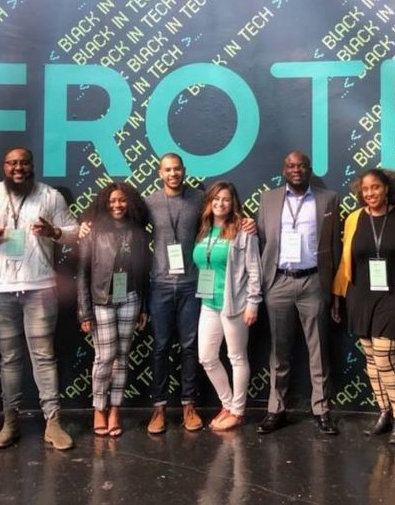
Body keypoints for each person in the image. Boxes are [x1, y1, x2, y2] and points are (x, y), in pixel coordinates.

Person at [0, 147, 78, 450]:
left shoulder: (50, 196)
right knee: (10, 358)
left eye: (23, 163)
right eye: (12, 163)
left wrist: (53, 231)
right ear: (4, 166)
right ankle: (10, 422)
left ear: (31, 165)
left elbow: (74, 232)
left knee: (44, 356)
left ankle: (53, 423)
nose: (18, 168)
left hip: (41, 287)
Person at [256, 150, 342, 436]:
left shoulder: (328, 199)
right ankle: (276, 409)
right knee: (278, 350)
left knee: (318, 350)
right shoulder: (267, 199)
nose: (296, 170)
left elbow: (335, 245)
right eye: (291, 166)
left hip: (313, 282)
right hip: (279, 282)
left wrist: (333, 289)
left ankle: (322, 410)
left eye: (302, 166)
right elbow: (262, 239)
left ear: (309, 169)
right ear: (284, 170)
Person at [332, 168, 395, 444]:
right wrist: (337, 295)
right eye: (366, 189)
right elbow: (346, 261)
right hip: (360, 296)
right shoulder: (354, 218)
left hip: (394, 296)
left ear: (387, 188)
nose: (370, 193)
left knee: (384, 357)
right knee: (370, 361)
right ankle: (384, 412)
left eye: (376, 187)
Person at [77, 182, 152, 437]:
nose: (117, 205)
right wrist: (84, 311)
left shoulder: (138, 232)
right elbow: (82, 274)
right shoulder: (93, 231)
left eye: (121, 200)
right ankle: (99, 408)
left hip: (131, 299)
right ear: (104, 204)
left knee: (122, 356)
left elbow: (143, 273)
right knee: (104, 357)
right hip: (101, 301)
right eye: (111, 201)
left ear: (129, 202)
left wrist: (143, 307)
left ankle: (115, 409)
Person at [143, 153, 206, 433]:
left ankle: (189, 405)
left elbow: (222, 219)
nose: (173, 174)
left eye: (177, 169)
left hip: (192, 283)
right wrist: (88, 224)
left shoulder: (200, 199)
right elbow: (124, 223)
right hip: (160, 285)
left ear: (184, 170)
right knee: (160, 347)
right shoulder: (149, 203)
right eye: (167, 170)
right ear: (160, 173)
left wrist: (245, 224)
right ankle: (159, 408)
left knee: (190, 346)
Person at [193, 181, 262, 431]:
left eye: (225, 199)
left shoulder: (244, 230)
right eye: (216, 199)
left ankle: (238, 411)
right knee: (207, 357)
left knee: (236, 357)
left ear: (233, 203)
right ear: (209, 202)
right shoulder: (204, 230)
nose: (220, 203)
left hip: (234, 305)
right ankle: (228, 404)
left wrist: (253, 303)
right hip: (208, 303)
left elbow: (254, 270)